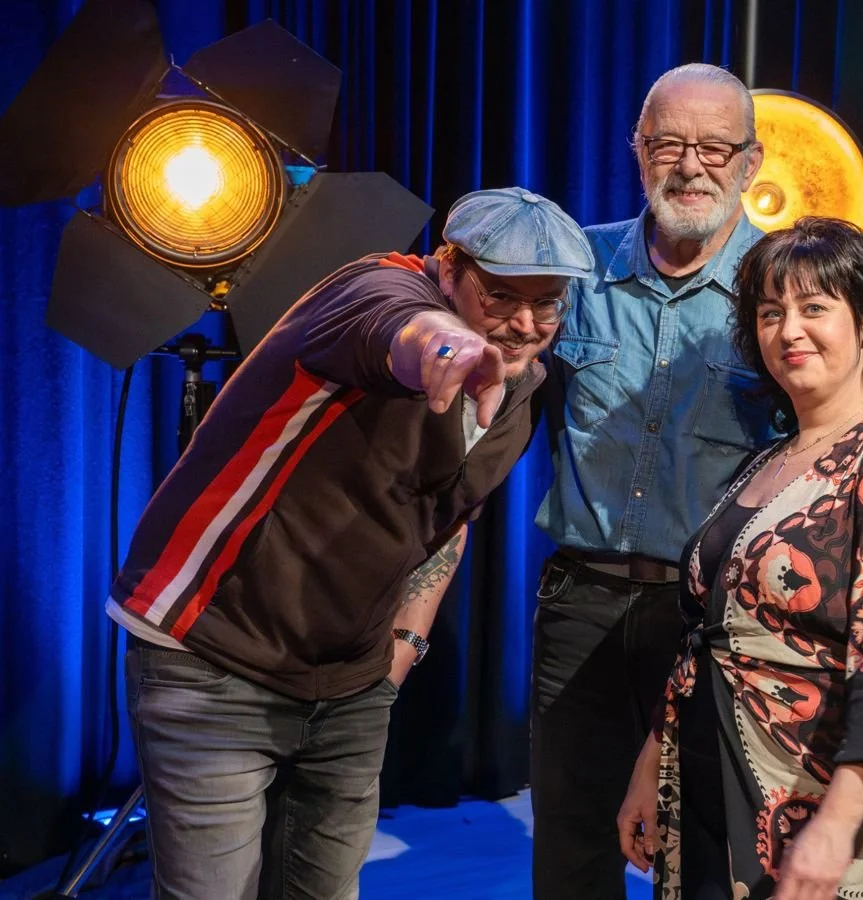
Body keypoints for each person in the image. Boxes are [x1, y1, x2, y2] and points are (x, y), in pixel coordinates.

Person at [106, 187, 593, 898]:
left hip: (350, 683)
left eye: (546, 303)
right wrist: (451, 344)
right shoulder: (375, 290)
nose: (523, 324)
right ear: (449, 266)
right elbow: (401, 331)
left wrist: (405, 644)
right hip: (213, 654)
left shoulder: (518, 390)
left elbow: (445, 521)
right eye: (500, 297)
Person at [616, 217, 863, 900]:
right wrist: (651, 762)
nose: (789, 331)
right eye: (771, 312)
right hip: (710, 784)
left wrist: (836, 827)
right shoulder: (770, 459)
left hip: (819, 809)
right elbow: (711, 637)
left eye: (815, 308)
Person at [531, 63, 776, 899]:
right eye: (669, 142)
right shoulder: (574, 268)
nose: (691, 165)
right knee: (570, 842)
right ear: (638, 150)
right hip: (582, 598)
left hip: (713, 615)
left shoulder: (780, 288)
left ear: (751, 161)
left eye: (715, 146)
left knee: (704, 843)